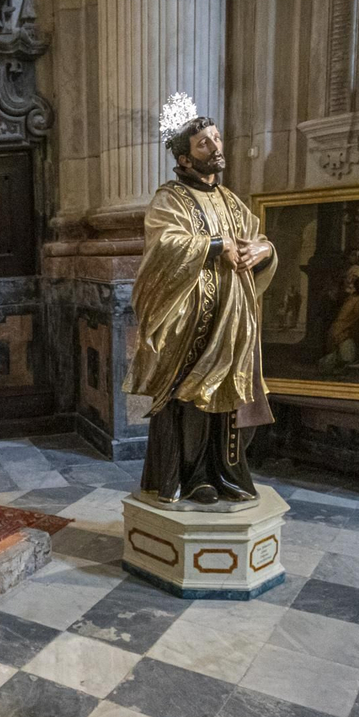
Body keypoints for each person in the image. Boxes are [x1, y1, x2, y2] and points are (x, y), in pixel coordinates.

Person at [128, 101, 275, 506]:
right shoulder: (169, 199)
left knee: (233, 396)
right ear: (184, 158)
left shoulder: (230, 200)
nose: (214, 147)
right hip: (190, 320)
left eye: (216, 139)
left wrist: (261, 251)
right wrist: (214, 245)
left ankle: (226, 472)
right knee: (192, 398)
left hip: (234, 319)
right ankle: (192, 477)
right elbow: (163, 245)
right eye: (203, 143)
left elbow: (257, 238)